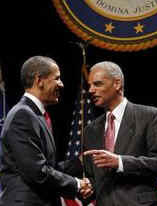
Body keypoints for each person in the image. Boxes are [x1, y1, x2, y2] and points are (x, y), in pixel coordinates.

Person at [0, 55, 92, 206]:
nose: (61, 84)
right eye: (57, 78)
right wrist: (77, 184)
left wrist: (79, 163)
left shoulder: (36, 115)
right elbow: (37, 172)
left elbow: (47, 166)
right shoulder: (23, 115)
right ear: (39, 80)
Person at [83, 61, 157, 206]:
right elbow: (93, 176)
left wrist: (120, 162)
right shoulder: (90, 130)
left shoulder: (149, 116)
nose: (91, 90)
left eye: (97, 84)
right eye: (90, 85)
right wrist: (89, 184)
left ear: (117, 84)